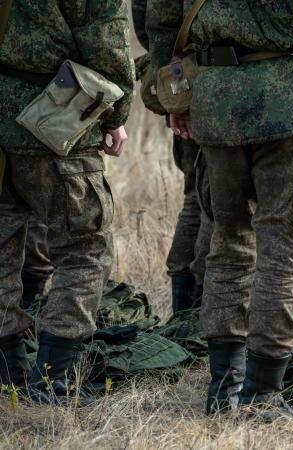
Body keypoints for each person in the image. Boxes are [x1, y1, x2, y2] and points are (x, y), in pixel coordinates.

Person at [147, 0, 293, 420]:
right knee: (282, 253)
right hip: (292, 112)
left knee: (227, 245)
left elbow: (161, 18)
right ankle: (262, 394)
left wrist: (174, 99)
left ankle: (224, 390)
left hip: (216, 105)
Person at [0, 0, 134, 400]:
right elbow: (107, 44)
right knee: (85, 246)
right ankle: (53, 378)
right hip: (56, 117)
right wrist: (116, 115)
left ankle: (7, 373)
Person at [132, 0, 210, 313]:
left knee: (197, 196)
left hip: (184, 80)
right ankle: (198, 312)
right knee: (217, 206)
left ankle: (184, 312)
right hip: (220, 86)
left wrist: (175, 95)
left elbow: (152, 25)